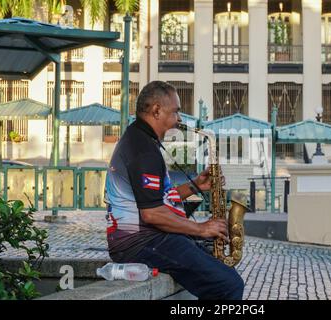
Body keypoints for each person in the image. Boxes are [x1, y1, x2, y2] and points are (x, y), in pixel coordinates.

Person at [104, 81, 244, 300]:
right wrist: (201, 229)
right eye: (176, 112)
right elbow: (151, 213)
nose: (179, 119)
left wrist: (195, 185)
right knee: (228, 285)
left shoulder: (142, 140)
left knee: (223, 272)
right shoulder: (143, 151)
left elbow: (155, 199)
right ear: (156, 110)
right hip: (141, 243)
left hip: (148, 238)